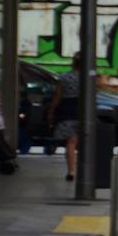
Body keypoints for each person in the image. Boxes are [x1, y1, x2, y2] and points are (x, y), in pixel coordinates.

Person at [47, 53, 82, 181]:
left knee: (70, 142)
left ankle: (71, 170)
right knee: (81, 141)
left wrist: (51, 111)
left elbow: (57, 96)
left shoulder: (64, 77)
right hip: (82, 111)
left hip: (67, 109)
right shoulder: (88, 78)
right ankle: (83, 169)